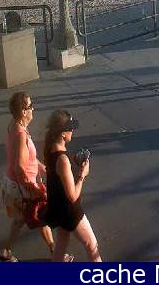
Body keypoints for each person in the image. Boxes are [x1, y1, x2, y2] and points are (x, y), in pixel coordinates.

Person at [0, 92, 58, 262]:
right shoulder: (21, 135)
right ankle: (57, 254)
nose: (33, 108)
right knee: (41, 216)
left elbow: (27, 158)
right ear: (24, 111)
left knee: (20, 220)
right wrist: (34, 189)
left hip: (12, 183)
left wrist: (43, 168)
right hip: (23, 186)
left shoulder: (14, 125)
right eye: (31, 106)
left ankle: (6, 252)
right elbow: (19, 167)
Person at [43, 110, 102, 262]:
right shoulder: (62, 160)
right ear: (63, 134)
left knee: (61, 243)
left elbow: (58, 175)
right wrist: (82, 175)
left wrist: (72, 164)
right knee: (91, 245)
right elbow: (72, 196)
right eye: (70, 128)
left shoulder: (50, 148)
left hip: (58, 208)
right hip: (70, 211)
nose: (72, 131)